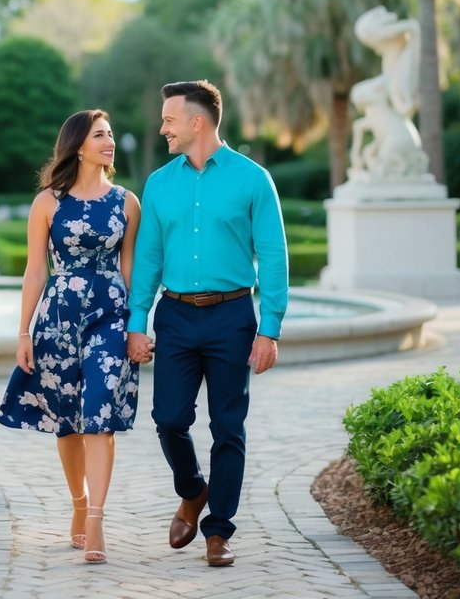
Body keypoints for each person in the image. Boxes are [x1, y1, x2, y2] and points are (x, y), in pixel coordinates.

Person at [126, 80, 287, 568]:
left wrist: (270, 328)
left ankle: (219, 532)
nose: (162, 129)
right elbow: (149, 257)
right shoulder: (159, 183)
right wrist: (138, 321)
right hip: (174, 314)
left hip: (233, 316)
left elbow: (274, 255)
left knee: (228, 427)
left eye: (169, 120)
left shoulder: (253, 179)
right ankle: (193, 491)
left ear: (198, 121)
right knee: (169, 419)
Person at [0, 109, 146, 565]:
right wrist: (23, 331)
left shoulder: (126, 202)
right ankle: (78, 504)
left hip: (110, 317)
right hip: (57, 320)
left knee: (99, 412)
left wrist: (137, 325)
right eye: (100, 135)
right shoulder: (48, 202)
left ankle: (97, 517)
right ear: (78, 145)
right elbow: (35, 270)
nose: (110, 141)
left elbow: (130, 272)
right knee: (68, 421)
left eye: (111, 134)